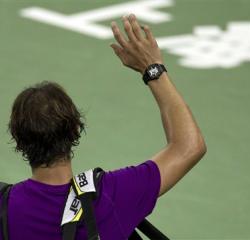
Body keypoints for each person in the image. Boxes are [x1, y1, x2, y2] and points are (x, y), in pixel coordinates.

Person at [0, 14, 206, 240]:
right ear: (76, 128)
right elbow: (189, 146)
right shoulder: (113, 194)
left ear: (18, 140)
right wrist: (152, 69)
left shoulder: (4, 207)